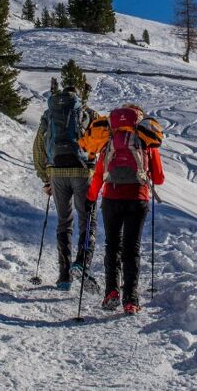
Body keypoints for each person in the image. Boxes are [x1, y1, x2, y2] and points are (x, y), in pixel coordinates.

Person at [87, 104, 164, 314]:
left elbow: (98, 172)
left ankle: (111, 292)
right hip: (137, 197)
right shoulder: (146, 139)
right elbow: (159, 178)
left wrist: (91, 196)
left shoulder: (110, 139)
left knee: (112, 246)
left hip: (111, 197)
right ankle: (131, 300)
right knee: (132, 249)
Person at [33, 81, 98, 291]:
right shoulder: (87, 113)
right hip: (82, 171)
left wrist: (46, 178)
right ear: (77, 98)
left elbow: (39, 146)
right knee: (87, 220)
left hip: (57, 172)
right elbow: (101, 141)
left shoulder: (49, 114)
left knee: (64, 222)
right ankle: (81, 262)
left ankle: (64, 276)